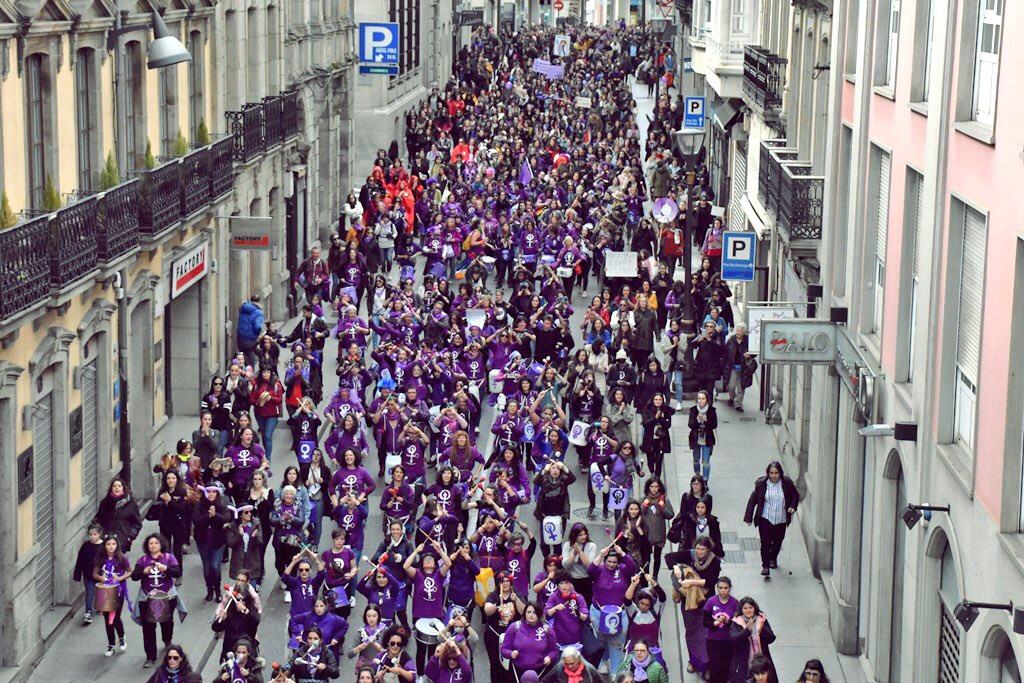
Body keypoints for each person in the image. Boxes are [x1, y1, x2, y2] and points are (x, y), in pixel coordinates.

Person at [131, 533, 186, 668]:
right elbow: (134, 576)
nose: (153, 545)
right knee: (148, 627)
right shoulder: (143, 560)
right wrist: (143, 572)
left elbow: (177, 573)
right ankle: (150, 656)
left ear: (161, 544)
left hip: (167, 596)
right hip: (147, 598)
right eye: (150, 543)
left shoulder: (169, 558)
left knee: (167, 621)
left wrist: (166, 569)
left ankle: (167, 640)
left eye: (156, 543)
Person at [743, 461, 799, 577]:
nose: (774, 476)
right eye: (771, 473)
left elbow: (795, 495)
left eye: (776, 473)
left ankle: (773, 558)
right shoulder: (761, 485)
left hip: (781, 519)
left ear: (780, 473)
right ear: (768, 473)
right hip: (765, 518)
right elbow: (753, 500)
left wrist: (793, 506)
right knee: (765, 543)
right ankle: (765, 565)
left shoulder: (787, 483)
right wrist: (748, 517)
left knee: (778, 541)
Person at [92, 533, 132, 656]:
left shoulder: (122, 558)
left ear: (117, 545)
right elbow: (95, 574)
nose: (111, 547)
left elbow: (130, 571)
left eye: (113, 544)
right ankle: (110, 645)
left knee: (115, 617)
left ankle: (121, 637)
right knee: (107, 618)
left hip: (118, 590)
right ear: (104, 546)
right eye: (108, 544)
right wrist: (101, 578)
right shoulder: (100, 559)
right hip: (104, 591)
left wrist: (120, 578)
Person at [193, 482, 231, 601]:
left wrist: (215, 515)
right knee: (207, 568)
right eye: (209, 491)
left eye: (213, 492)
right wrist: (207, 516)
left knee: (215, 566)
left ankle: (218, 590)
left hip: (218, 542)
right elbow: (196, 520)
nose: (211, 494)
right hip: (203, 542)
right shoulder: (199, 505)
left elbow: (226, 518)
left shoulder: (222, 504)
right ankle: (210, 590)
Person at [213, 569, 262, 662]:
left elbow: (255, 622)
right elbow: (216, 627)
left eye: (241, 599)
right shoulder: (230, 608)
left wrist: (245, 610)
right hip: (230, 648)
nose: (239, 583)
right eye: (237, 599)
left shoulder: (251, 605)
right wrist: (221, 619)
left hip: (246, 649)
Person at [728, 598, 776, 683]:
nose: (748, 610)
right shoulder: (736, 622)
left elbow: (772, 638)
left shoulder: (761, 619)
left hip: (761, 661)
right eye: (745, 608)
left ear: (754, 608)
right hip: (743, 663)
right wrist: (746, 631)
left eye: (750, 607)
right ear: (741, 610)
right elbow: (733, 640)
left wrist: (762, 631)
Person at [703, 577, 739, 683]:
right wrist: (715, 623)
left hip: (728, 641)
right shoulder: (711, 601)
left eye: (726, 588)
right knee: (715, 668)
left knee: (725, 668)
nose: (723, 590)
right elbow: (705, 622)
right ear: (717, 588)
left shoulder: (735, 603)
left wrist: (727, 621)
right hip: (713, 640)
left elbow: (737, 624)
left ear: (729, 588)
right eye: (721, 588)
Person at [92, 477, 142, 553]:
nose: (117, 488)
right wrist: (100, 534)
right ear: (111, 488)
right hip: (106, 540)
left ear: (123, 488)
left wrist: (130, 536)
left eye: (119, 486)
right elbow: (98, 519)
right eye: (114, 486)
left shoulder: (131, 504)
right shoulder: (105, 503)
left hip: (122, 541)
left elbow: (137, 523)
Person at [73, 524, 104, 625]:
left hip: (102, 575)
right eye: (90, 534)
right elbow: (80, 560)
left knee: (101, 592)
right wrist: (77, 574)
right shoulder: (86, 546)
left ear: (100, 534)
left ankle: (100, 607)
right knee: (89, 593)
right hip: (88, 574)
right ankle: (88, 612)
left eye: (95, 534)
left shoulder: (104, 546)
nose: (92, 537)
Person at [722, 323, 756, 412]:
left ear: (744, 332)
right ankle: (732, 398)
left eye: (740, 331)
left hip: (743, 368)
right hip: (732, 368)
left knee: (741, 387)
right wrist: (724, 365)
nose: (738, 332)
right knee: (731, 386)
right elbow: (725, 354)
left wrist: (750, 355)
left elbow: (754, 352)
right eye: (737, 330)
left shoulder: (748, 341)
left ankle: (738, 404)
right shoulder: (731, 341)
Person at [688, 391, 717, 481]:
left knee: (706, 462)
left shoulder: (712, 411)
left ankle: (705, 480)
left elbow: (714, 425)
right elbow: (690, 425)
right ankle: (697, 476)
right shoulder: (693, 410)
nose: (701, 401)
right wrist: (697, 420)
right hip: (696, 438)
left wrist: (706, 420)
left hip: (707, 438)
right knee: (696, 459)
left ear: (707, 400)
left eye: (703, 398)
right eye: (699, 398)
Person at [237, 294, 265, 369]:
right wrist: (259, 333)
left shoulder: (243, 308)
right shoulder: (258, 312)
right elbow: (258, 326)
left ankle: (241, 372)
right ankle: (251, 374)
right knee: (251, 356)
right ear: (259, 302)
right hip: (251, 338)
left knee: (242, 356)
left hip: (240, 336)